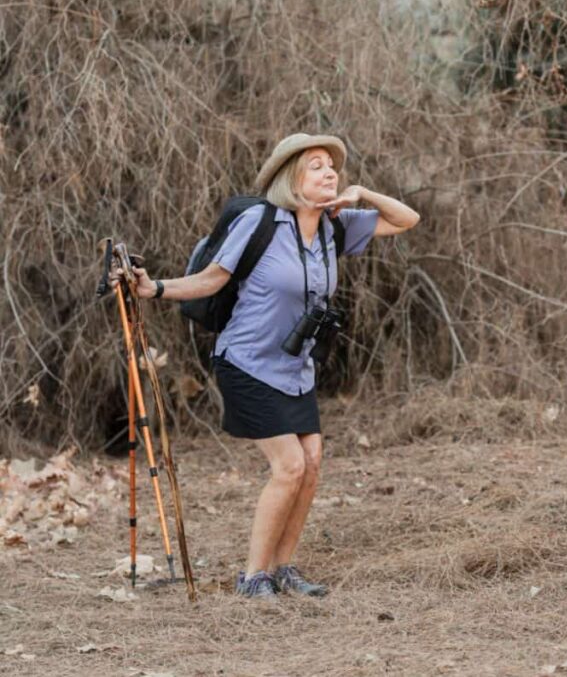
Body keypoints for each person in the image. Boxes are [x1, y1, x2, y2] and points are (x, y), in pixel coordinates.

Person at [111, 133, 420, 599]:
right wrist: (155, 288)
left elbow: (406, 219)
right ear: (290, 177)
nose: (330, 172)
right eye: (316, 165)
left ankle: (283, 569)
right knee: (290, 466)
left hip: (296, 370)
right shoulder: (261, 222)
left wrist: (361, 195)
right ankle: (253, 576)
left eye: (333, 166)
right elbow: (213, 278)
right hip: (246, 362)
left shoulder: (337, 226)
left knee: (312, 463)